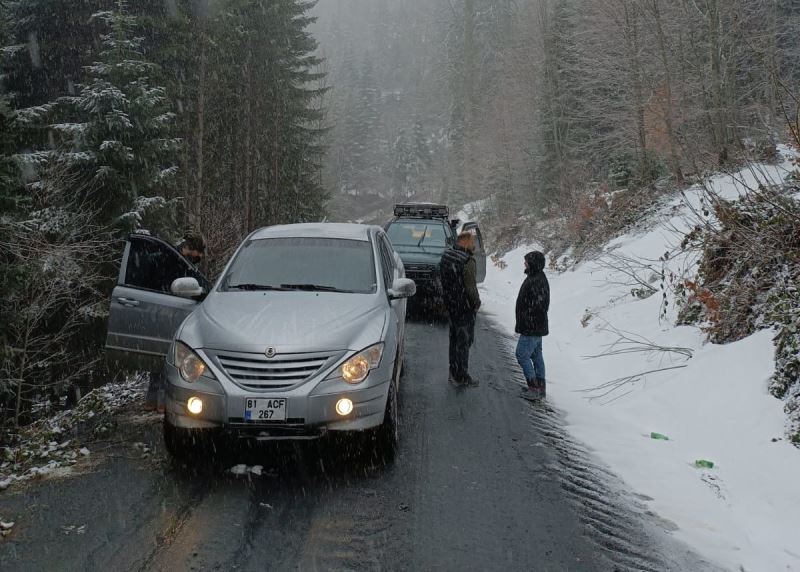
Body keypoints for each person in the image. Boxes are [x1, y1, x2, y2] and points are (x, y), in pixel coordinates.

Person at [144, 230, 207, 412]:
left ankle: (153, 400)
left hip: (159, 310)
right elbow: (184, 286)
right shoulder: (177, 261)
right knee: (168, 356)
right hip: (168, 312)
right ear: (190, 248)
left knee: (159, 357)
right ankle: (162, 401)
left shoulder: (172, 256)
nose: (200, 257)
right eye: (199, 252)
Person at [440, 231, 481, 387]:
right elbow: (471, 287)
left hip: (451, 305)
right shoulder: (467, 261)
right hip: (464, 307)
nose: (474, 245)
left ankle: (453, 371)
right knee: (464, 341)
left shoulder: (447, 255)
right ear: (464, 242)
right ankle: (462, 376)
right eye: (472, 242)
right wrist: (476, 303)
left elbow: (441, 277)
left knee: (454, 339)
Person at [515, 251, 550, 401]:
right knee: (536, 356)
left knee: (522, 355)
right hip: (536, 326)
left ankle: (533, 387)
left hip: (532, 327)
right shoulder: (536, 278)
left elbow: (538, 305)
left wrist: (526, 319)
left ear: (533, 264)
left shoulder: (536, 280)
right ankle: (540, 387)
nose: (525, 264)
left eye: (527, 262)